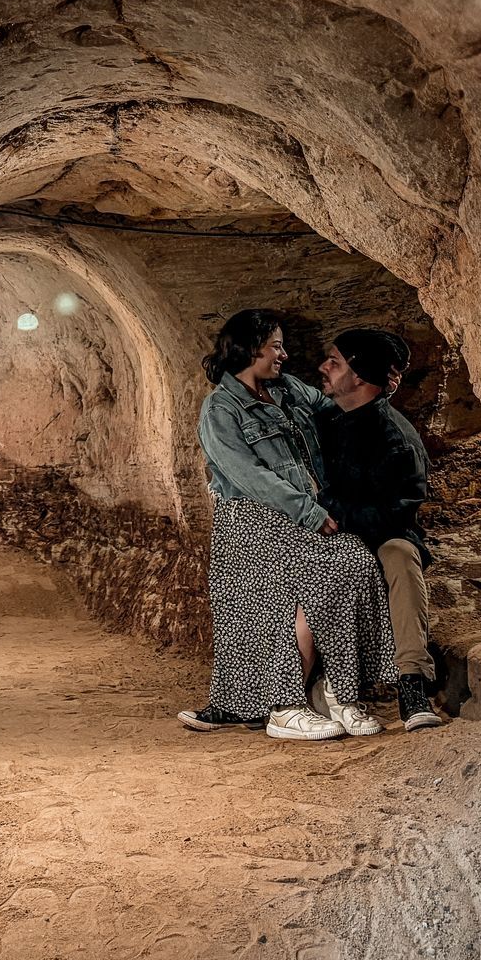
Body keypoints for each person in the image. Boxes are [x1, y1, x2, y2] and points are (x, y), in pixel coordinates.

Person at [177, 310, 398, 741]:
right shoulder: (219, 410)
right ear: (250, 348)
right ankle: (285, 708)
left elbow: (335, 408)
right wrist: (310, 513)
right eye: (276, 345)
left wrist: (377, 394)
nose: (285, 354)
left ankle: (337, 688)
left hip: (300, 513)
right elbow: (249, 476)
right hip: (253, 521)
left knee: (353, 560)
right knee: (305, 585)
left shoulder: (288, 389)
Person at [313, 329, 446, 731]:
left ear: (359, 378)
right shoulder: (324, 421)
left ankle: (412, 685)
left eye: (335, 362)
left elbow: (394, 516)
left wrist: (331, 510)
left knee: (401, 559)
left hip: (378, 533)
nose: (323, 367)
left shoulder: (397, 441)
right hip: (326, 531)